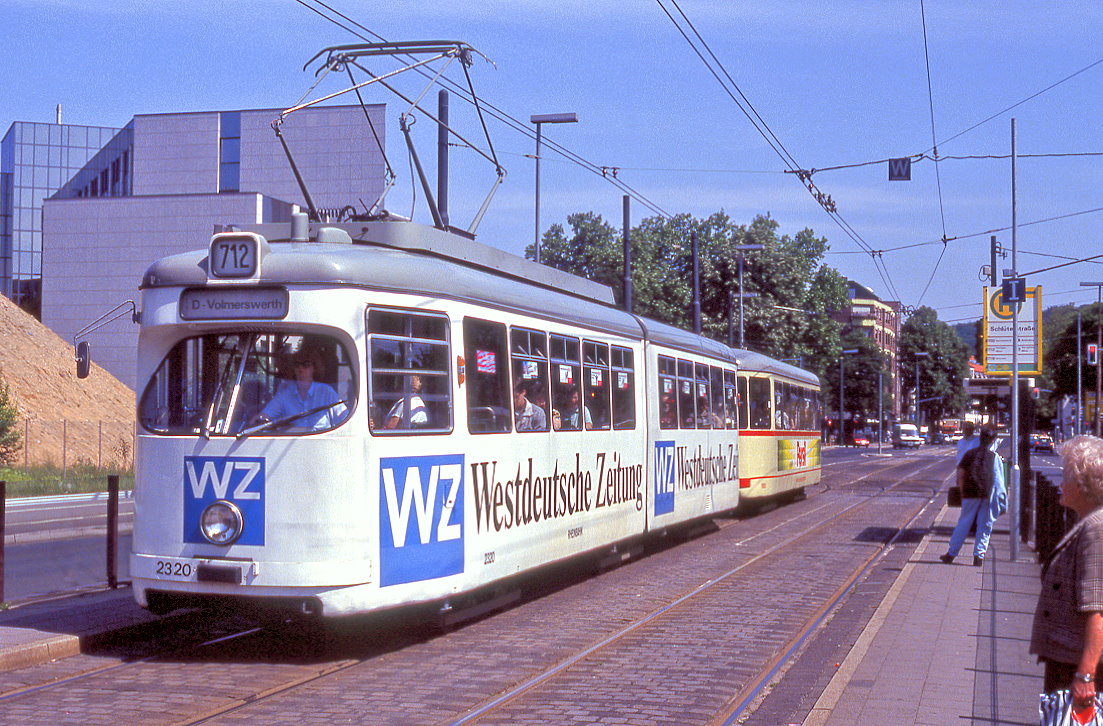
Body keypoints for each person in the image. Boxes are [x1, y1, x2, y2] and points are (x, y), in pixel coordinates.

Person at [1030, 435, 1103, 708]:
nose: (1060, 484)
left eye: (1067, 477)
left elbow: (1097, 608)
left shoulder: (1097, 529)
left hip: (1076, 662)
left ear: (1085, 485)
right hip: (1066, 655)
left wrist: (1085, 675)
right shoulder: (1088, 523)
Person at [940, 427, 1005, 566]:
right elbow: (999, 482)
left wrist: (962, 492)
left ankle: (951, 554)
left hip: (970, 493)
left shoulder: (969, 454)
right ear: (993, 441)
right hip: (987, 495)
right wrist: (1001, 502)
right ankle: (979, 557)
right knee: (985, 525)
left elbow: (961, 474)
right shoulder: (995, 457)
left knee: (963, 523)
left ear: (980, 438)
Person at [257, 349, 346, 431]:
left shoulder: (326, 392)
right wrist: (259, 420)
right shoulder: (285, 394)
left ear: (314, 368)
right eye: (297, 365)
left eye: (305, 365)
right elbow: (265, 416)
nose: (300, 369)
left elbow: (344, 418)